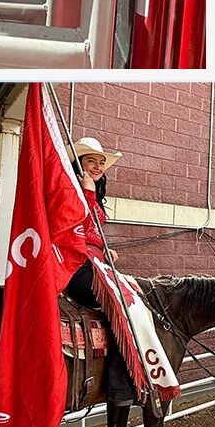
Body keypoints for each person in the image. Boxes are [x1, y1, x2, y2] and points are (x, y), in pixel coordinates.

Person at [60, 136, 138, 403]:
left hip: (92, 260)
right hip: (75, 263)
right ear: (78, 164)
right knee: (121, 305)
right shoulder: (73, 190)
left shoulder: (90, 190)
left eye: (101, 162)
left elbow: (91, 233)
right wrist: (88, 191)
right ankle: (118, 384)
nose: (97, 166)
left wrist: (104, 251)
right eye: (91, 161)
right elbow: (73, 225)